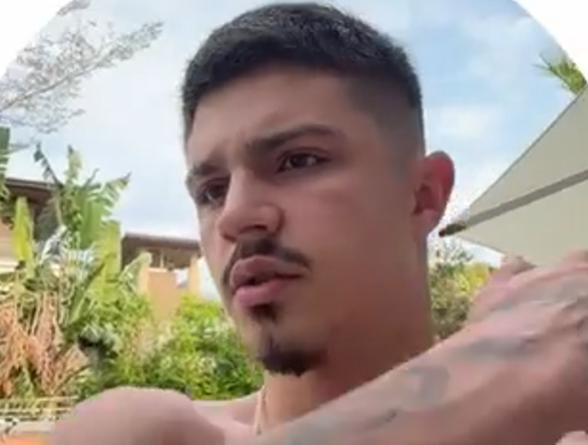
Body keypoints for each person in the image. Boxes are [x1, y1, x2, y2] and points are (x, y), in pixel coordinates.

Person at [47, 3, 588, 445]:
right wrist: (503, 365)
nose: (234, 216)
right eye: (211, 191)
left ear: (422, 197)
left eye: (297, 161)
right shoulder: (141, 432)